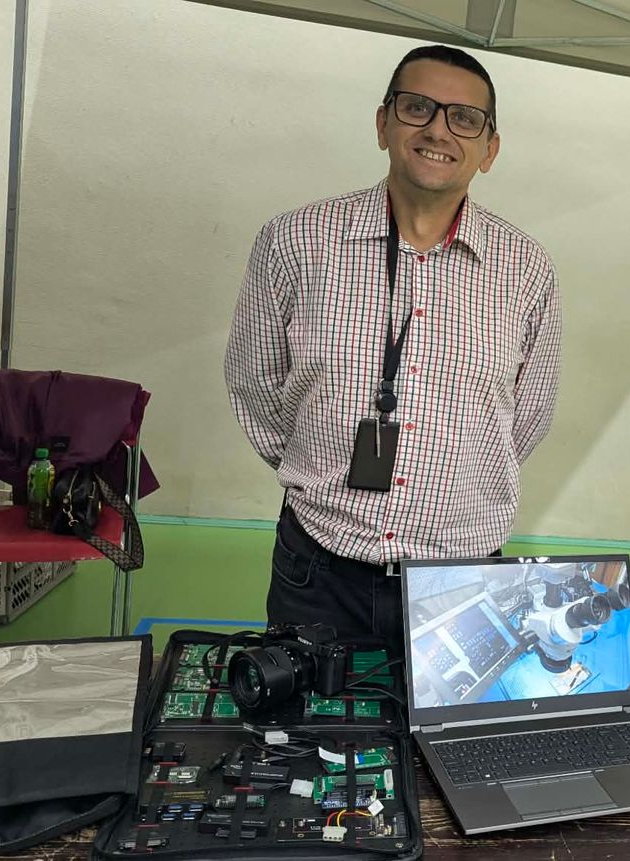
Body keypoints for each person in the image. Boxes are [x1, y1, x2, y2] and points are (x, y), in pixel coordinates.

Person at [225, 45, 562, 658]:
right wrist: (318, 471)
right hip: (319, 568)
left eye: (465, 118)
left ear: (489, 150)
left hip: (461, 578)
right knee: (308, 721)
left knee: (452, 718)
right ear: (383, 123)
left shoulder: (525, 269)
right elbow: (255, 383)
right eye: (417, 108)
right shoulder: (295, 241)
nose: (438, 130)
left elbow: (526, 418)